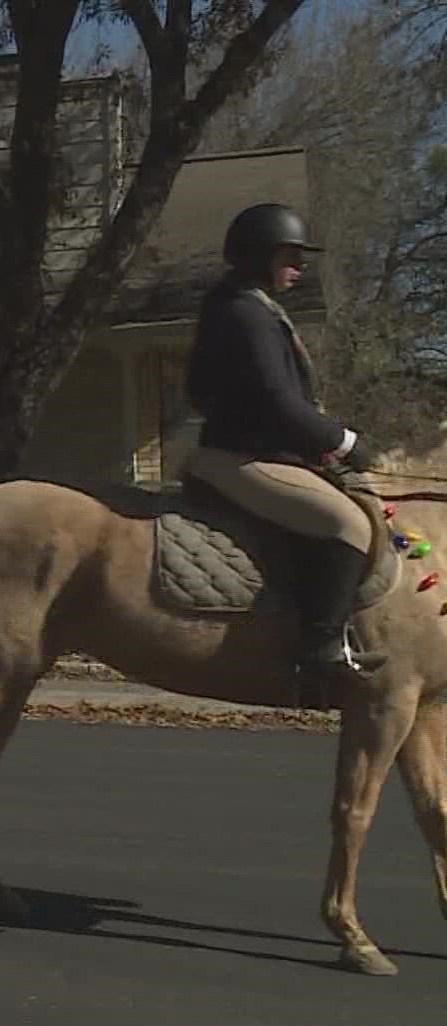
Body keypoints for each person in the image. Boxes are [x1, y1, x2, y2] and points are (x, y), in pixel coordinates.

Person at [183, 202, 383, 690]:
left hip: (256, 450)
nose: (299, 266)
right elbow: (277, 401)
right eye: (289, 256)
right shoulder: (243, 313)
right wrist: (343, 441)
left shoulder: (243, 305)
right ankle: (319, 652)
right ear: (257, 257)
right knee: (346, 523)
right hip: (239, 457)